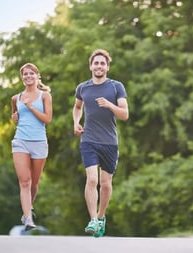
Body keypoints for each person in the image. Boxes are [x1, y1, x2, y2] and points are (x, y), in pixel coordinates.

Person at [73, 49, 129, 237]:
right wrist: (76, 122)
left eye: (102, 63)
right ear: (91, 66)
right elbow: (77, 107)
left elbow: (125, 114)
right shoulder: (83, 88)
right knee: (92, 179)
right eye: (95, 63)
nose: (99, 66)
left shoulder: (116, 87)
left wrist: (109, 105)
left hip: (110, 143)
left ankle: (101, 215)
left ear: (107, 66)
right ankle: (94, 220)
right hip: (88, 140)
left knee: (105, 184)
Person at [11, 63, 52, 231]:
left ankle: (29, 208)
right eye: (25, 74)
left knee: (34, 183)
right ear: (22, 78)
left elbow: (47, 119)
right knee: (25, 181)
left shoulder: (45, 96)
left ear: (37, 76)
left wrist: (30, 106)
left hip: (39, 142)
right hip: (20, 140)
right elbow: (15, 117)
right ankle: (28, 218)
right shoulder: (16, 98)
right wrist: (14, 118)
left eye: (31, 73)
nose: (28, 76)